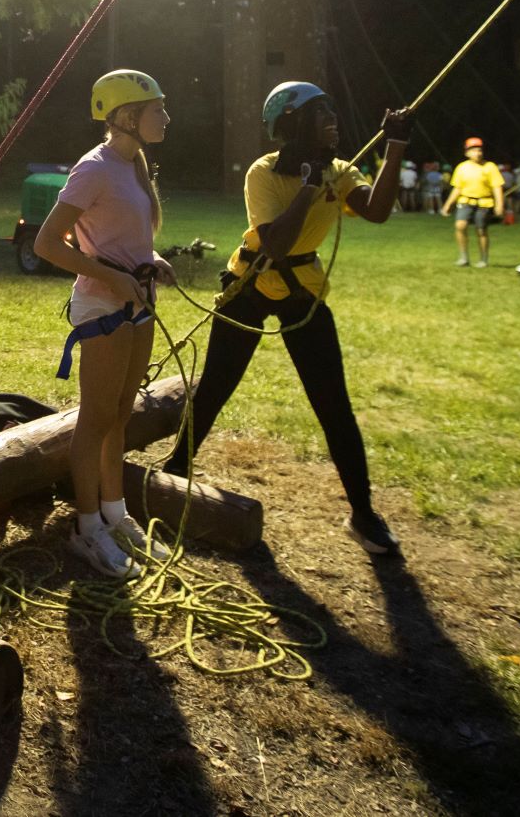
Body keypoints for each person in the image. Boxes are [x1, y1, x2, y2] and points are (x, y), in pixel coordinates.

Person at [163, 83, 409, 557]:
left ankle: (362, 512)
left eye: (333, 110)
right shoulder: (263, 173)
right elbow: (274, 245)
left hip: (304, 294)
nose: (333, 119)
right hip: (250, 286)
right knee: (215, 386)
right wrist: (311, 184)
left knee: (333, 404)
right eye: (321, 113)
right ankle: (173, 472)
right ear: (293, 124)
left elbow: (376, 211)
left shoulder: (341, 172)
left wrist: (395, 146)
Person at [33, 70, 176, 580]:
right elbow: (47, 244)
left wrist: (150, 259)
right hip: (103, 306)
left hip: (138, 300)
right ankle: (86, 527)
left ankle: (116, 515)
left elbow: (117, 235)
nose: (165, 116)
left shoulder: (134, 164)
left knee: (121, 413)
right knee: (95, 419)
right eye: (156, 108)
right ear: (125, 116)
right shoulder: (93, 169)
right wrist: (112, 279)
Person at [440, 137, 505, 268]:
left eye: (479, 150)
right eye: (474, 150)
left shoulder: (490, 167)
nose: (478, 153)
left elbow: (497, 187)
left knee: (481, 230)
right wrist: (448, 205)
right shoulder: (462, 168)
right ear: (467, 153)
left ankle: (484, 259)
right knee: (460, 226)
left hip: (484, 203)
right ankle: (464, 257)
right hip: (465, 202)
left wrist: (499, 205)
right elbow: (457, 188)